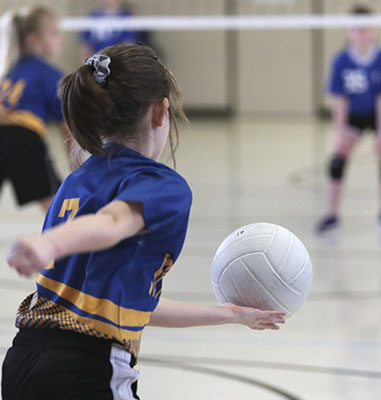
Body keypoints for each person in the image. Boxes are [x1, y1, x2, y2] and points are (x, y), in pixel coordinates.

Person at [2, 43, 286, 400]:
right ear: (160, 112)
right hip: (87, 370)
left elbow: (137, 304)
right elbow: (113, 222)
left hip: (22, 361)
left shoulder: (76, 181)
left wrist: (230, 314)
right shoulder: (161, 185)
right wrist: (48, 244)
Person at [316, 4, 381, 233]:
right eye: (356, 30)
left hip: (376, 113)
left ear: (373, 30)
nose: (360, 35)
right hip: (354, 115)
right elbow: (340, 100)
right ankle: (332, 215)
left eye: (365, 30)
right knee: (337, 160)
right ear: (348, 31)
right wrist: (340, 133)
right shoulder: (341, 61)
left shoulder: (380, 59)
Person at [0, 7, 71, 212]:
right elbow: (66, 125)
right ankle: (70, 241)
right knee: (54, 203)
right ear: (34, 40)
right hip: (24, 138)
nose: (61, 39)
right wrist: (77, 164)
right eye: (54, 34)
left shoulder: (9, 72)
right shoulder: (49, 74)